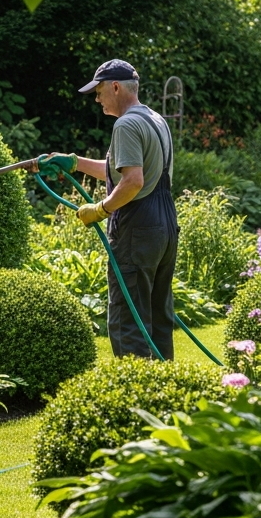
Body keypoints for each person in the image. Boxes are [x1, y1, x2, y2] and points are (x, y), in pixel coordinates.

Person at [48, 59, 177, 360]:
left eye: (99, 91)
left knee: (127, 319)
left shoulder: (126, 124)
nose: (97, 98)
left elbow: (132, 182)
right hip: (164, 226)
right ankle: (165, 396)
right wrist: (74, 162)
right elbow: (118, 170)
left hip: (137, 226)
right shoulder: (153, 119)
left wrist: (100, 209)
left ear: (116, 87)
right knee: (158, 318)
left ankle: (135, 400)